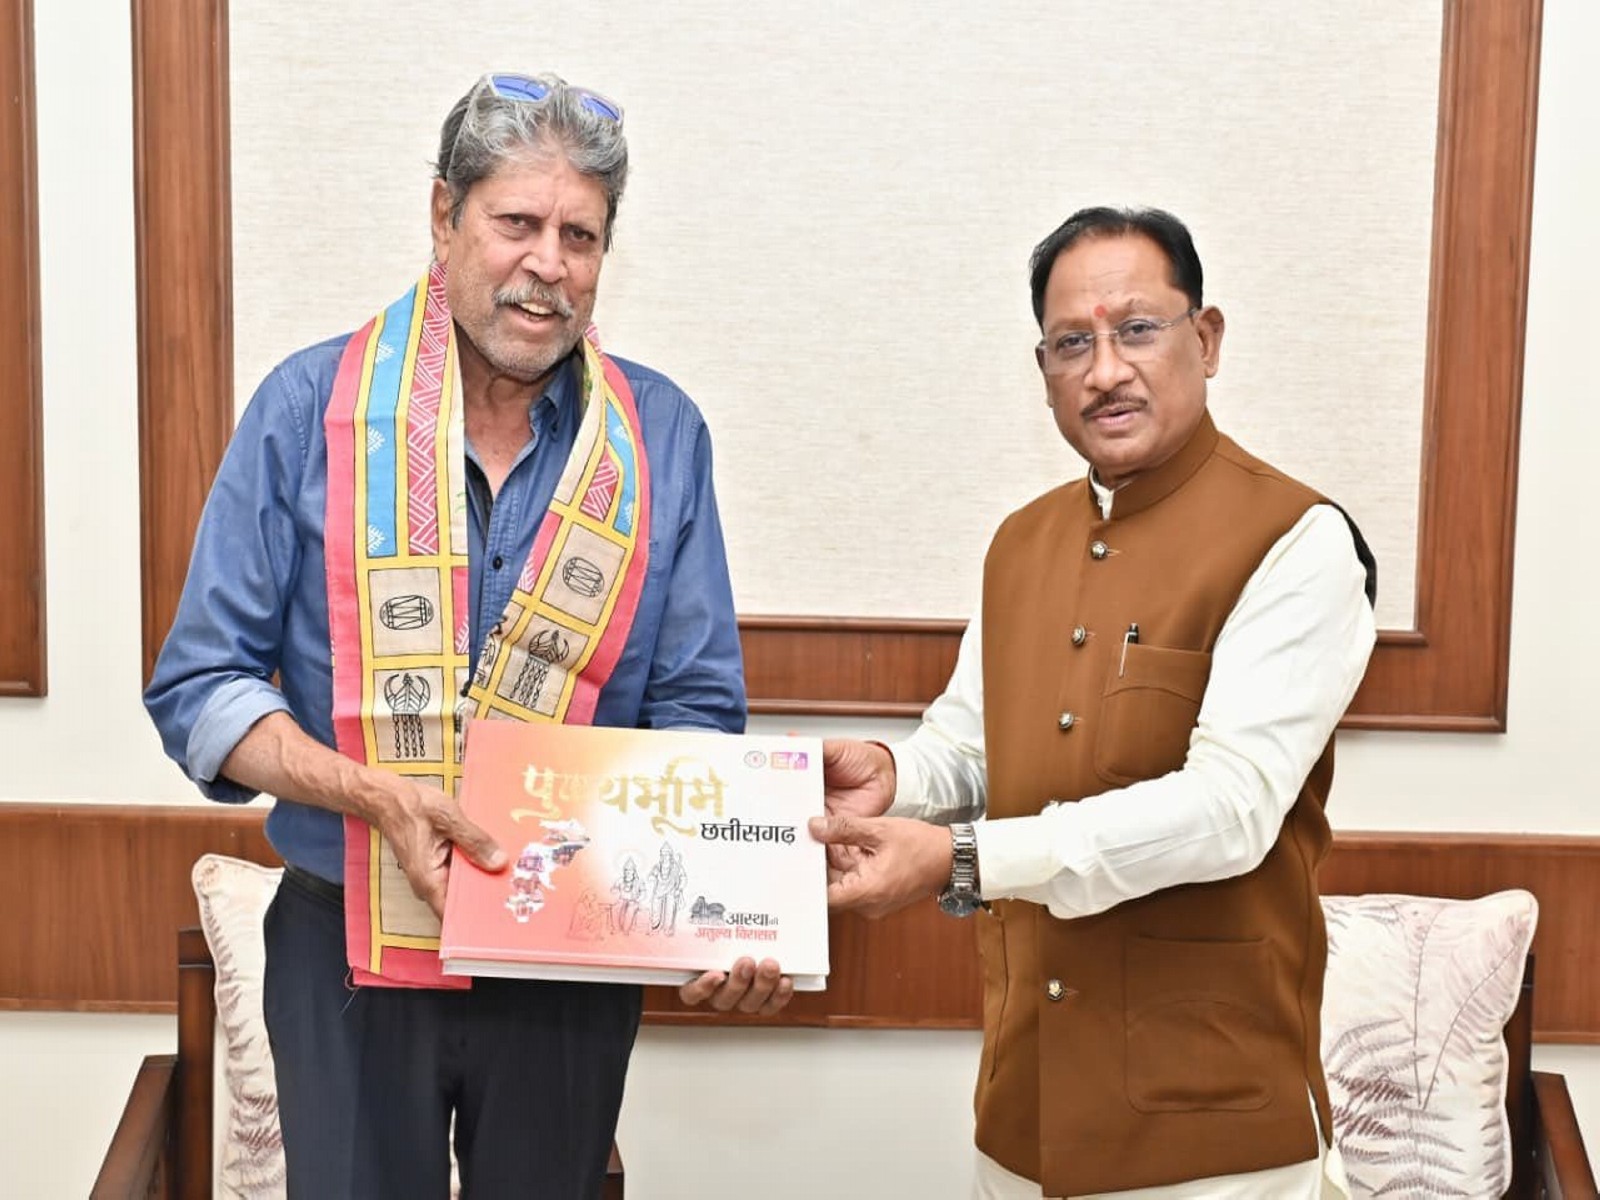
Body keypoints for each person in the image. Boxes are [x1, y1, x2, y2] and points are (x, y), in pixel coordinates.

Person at [145, 71, 791, 1198]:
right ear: (443, 216)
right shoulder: (308, 413)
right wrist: (377, 794)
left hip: (569, 965)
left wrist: (719, 904)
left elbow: (695, 712)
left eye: (580, 235)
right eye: (517, 223)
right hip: (346, 950)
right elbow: (201, 687)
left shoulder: (661, 436)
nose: (549, 262)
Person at [811, 206, 1377, 1200]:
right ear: (1042, 371)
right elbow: (976, 745)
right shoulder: (1018, 543)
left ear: (1205, 340)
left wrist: (970, 859)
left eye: (1137, 330)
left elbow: (1231, 809)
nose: (1105, 369)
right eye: (1072, 342)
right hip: (1023, 1111)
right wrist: (898, 778)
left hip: (1214, 1139)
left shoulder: (1298, 540)